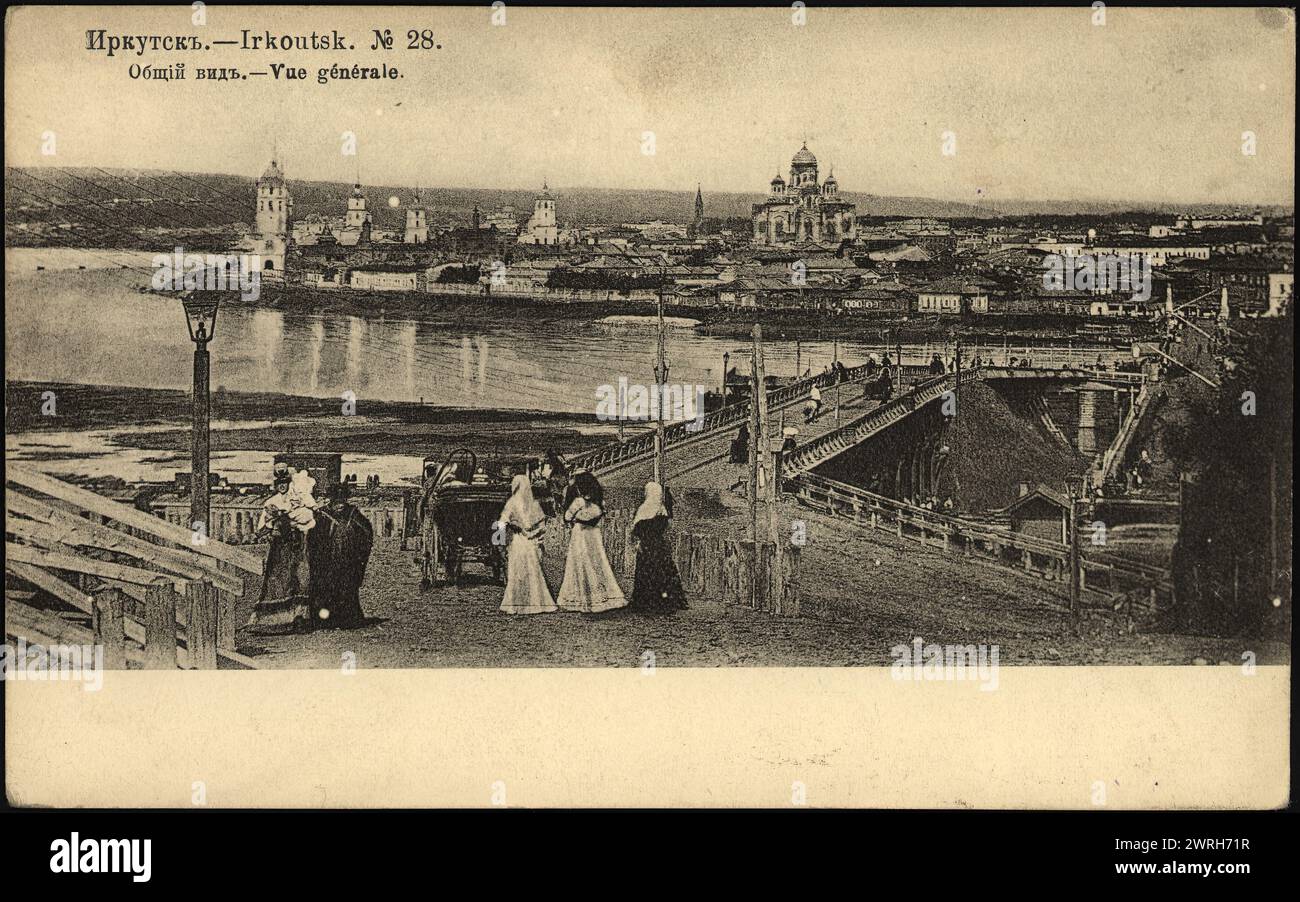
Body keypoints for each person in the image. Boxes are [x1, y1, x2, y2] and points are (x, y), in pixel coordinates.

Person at [248, 465, 312, 630]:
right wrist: (268, 525)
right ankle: (275, 620)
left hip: (297, 544)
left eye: (285, 482)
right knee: (278, 579)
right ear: (275, 485)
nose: (282, 486)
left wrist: (293, 520)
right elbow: (263, 526)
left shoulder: (298, 497)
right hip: (280, 547)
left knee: (299, 577)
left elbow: (307, 517)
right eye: (279, 483)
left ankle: (299, 617)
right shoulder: (271, 502)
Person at [556, 472, 626, 614]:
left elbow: (567, 517)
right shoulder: (599, 502)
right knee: (597, 562)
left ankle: (581, 597)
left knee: (580, 562)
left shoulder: (578, 502)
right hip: (594, 534)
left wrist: (576, 518)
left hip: (580, 534)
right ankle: (603, 595)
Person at [308, 481, 374, 629]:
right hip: (327, 560)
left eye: (342, 500)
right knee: (325, 588)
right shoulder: (322, 514)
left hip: (348, 561)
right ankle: (325, 620)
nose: (340, 505)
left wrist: (358, 551)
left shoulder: (353, 513)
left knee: (347, 588)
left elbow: (367, 532)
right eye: (337, 501)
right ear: (331, 500)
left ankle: (347, 619)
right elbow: (313, 537)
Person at [498, 474, 557, 615]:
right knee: (533, 571)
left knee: (517, 572)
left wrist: (500, 542)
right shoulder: (534, 504)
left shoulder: (511, 503)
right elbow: (542, 526)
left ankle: (516, 604)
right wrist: (537, 536)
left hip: (518, 541)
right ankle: (536, 603)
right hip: (530, 543)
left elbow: (501, 523)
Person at [627, 482, 687, 615]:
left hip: (646, 546)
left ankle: (646, 601)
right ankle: (666, 600)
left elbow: (636, 530)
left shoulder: (643, 510)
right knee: (664, 570)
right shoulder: (662, 510)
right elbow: (666, 528)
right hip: (660, 546)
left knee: (646, 572)